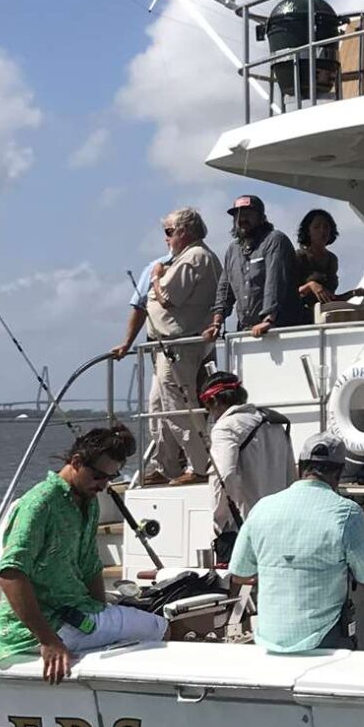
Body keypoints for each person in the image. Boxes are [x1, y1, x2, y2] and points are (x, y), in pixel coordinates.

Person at [0, 426, 168, 682]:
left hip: (77, 614)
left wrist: (101, 611)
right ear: (76, 462)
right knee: (161, 627)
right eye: (98, 476)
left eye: (111, 477)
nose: (104, 485)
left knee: (134, 623)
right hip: (41, 629)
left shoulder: (88, 501)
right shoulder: (40, 504)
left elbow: (89, 566)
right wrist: (48, 640)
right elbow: (10, 574)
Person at [229, 433, 364, 654]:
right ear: (339, 473)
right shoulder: (347, 513)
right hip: (324, 641)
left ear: (300, 467)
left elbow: (239, 574)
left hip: (269, 641)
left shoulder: (263, 508)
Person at [116, 205, 224, 481]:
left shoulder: (194, 257)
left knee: (178, 407)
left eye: (168, 232)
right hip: (166, 346)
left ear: (184, 231)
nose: (166, 238)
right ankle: (167, 467)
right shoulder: (191, 257)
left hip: (179, 346)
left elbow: (166, 297)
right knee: (158, 408)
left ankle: (200, 467)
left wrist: (155, 276)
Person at [198, 369, 296, 562]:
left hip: (248, 526)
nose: (211, 415)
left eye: (208, 408)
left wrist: (220, 523)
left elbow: (224, 477)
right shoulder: (275, 422)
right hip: (281, 525)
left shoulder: (225, 427)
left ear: (215, 401)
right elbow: (291, 475)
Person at [210, 193, 308, 340]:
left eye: (248, 214)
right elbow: (225, 290)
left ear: (261, 217)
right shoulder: (233, 249)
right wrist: (217, 322)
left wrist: (269, 319)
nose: (242, 219)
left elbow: (275, 281)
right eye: (237, 215)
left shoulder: (275, 240)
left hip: (280, 330)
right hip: (246, 332)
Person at [295, 208, 345, 312]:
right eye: (317, 227)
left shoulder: (332, 259)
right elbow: (288, 294)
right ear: (308, 231)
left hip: (325, 313)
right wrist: (310, 286)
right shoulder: (299, 256)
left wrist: (353, 293)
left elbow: (329, 298)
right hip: (302, 315)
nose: (322, 231)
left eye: (326, 227)